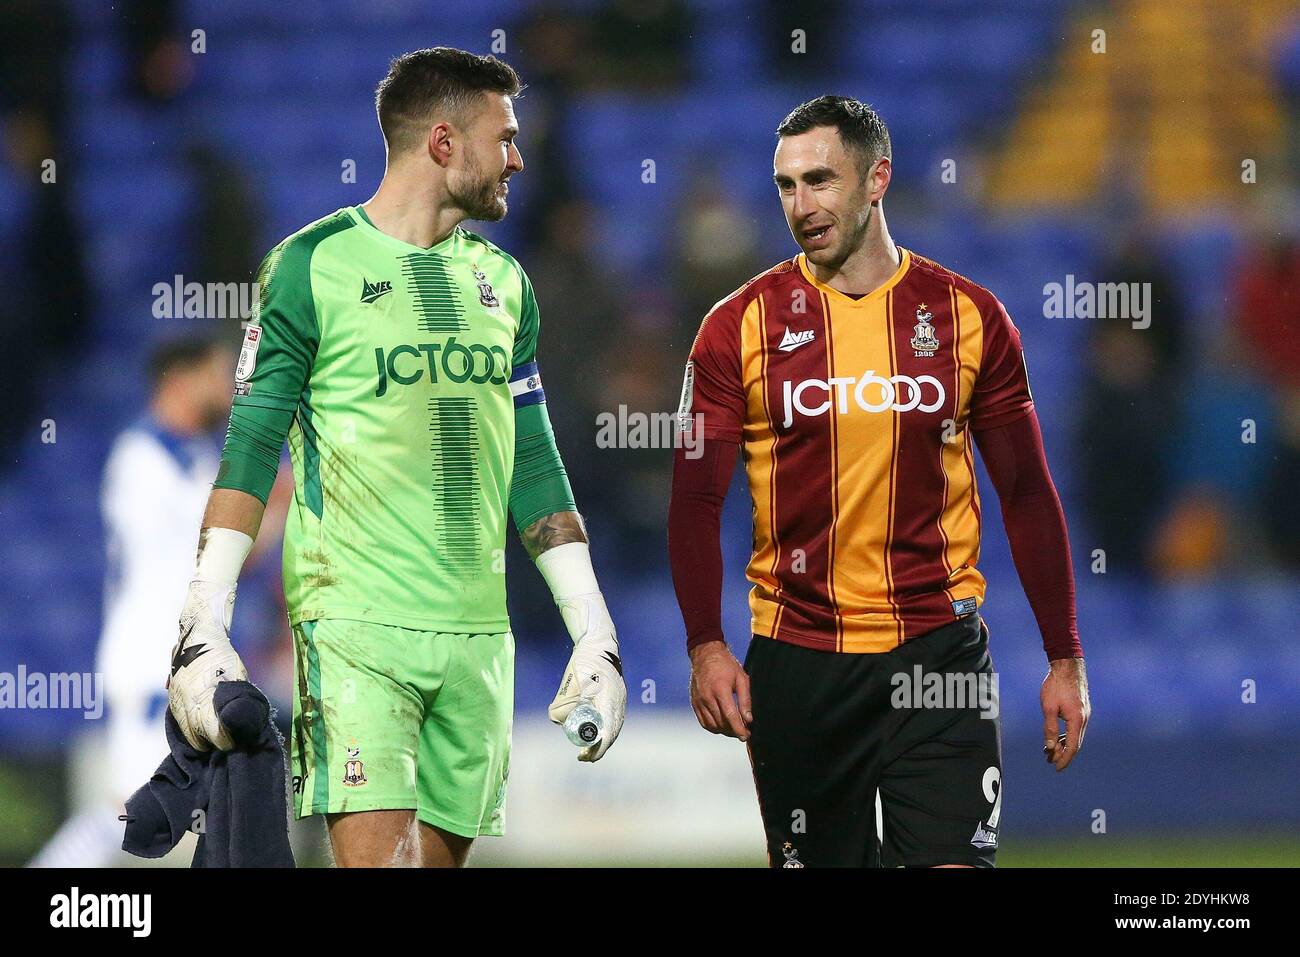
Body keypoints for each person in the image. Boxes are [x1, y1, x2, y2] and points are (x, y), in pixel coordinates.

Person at [165, 48, 626, 869]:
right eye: (505, 137)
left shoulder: (507, 285)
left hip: (480, 634)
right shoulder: (310, 267)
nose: (520, 157)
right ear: (444, 142)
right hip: (355, 626)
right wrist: (205, 615)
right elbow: (249, 447)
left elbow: (535, 463)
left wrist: (594, 629)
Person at [668, 96, 1090, 868]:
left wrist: (1065, 655)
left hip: (939, 657)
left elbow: (1026, 491)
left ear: (877, 180)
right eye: (786, 186)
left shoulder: (969, 317)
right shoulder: (738, 327)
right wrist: (705, 644)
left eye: (821, 180)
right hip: (801, 662)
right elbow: (695, 500)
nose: (802, 205)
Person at [29, 337, 233, 867]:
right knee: (127, 804)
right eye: (216, 375)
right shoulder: (141, 458)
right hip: (151, 654)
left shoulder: (198, 455)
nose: (226, 388)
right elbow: (189, 559)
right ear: (179, 378)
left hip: (188, 657)